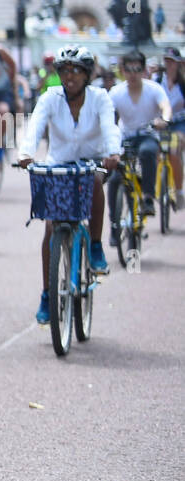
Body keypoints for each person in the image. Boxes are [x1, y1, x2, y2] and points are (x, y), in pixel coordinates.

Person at [17, 45, 118, 323]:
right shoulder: (51, 97)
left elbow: (110, 127)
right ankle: (47, 294)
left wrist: (113, 152)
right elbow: (36, 124)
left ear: (87, 75)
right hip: (58, 164)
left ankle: (95, 245)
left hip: (91, 160)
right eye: (64, 71)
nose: (69, 77)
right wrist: (26, 153)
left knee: (96, 180)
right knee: (51, 227)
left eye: (76, 71)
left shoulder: (100, 98)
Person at [107, 50, 172, 218]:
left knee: (147, 152)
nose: (133, 74)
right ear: (122, 71)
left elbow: (165, 106)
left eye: (137, 69)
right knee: (115, 179)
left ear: (144, 71)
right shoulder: (116, 92)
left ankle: (148, 197)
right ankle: (114, 224)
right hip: (125, 137)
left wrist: (163, 119)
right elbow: (107, 115)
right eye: (128, 69)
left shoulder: (154, 89)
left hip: (148, 134)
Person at [155, 47, 185, 208]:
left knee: (174, 151)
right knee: (155, 150)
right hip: (161, 123)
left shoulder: (183, 82)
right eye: (167, 61)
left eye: (172, 61)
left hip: (180, 123)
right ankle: (157, 184)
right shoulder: (158, 81)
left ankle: (179, 191)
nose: (169, 65)